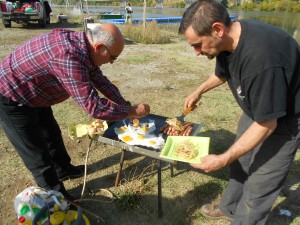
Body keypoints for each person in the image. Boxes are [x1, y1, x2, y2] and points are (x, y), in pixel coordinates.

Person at [177, 0, 300, 224]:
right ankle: (228, 207)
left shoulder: (262, 59)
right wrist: (199, 90)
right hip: (258, 109)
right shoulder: (227, 40)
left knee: (259, 187)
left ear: (217, 29)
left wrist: (221, 159)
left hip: (287, 118)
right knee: (241, 161)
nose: (196, 52)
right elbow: (223, 73)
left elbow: (267, 124)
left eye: (197, 45)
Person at [0, 23, 150, 200]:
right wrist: (131, 111)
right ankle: (58, 198)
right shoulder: (68, 56)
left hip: (36, 93)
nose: (111, 62)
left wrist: (124, 103)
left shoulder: (84, 46)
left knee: (51, 134)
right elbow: (94, 107)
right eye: (113, 57)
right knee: (38, 155)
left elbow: (100, 80)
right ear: (100, 47)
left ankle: (64, 169)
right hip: (11, 95)